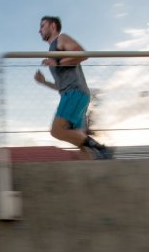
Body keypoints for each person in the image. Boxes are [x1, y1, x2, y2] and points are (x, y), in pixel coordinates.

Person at [34, 16, 113, 159]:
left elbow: (82, 53)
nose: (39, 30)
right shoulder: (52, 51)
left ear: (53, 26)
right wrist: (44, 82)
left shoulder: (61, 39)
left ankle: (101, 148)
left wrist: (57, 64)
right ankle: (100, 164)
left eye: (42, 26)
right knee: (81, 147)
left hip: (75, 93)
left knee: (57, 131)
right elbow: (60, 86)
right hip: (71, 94)